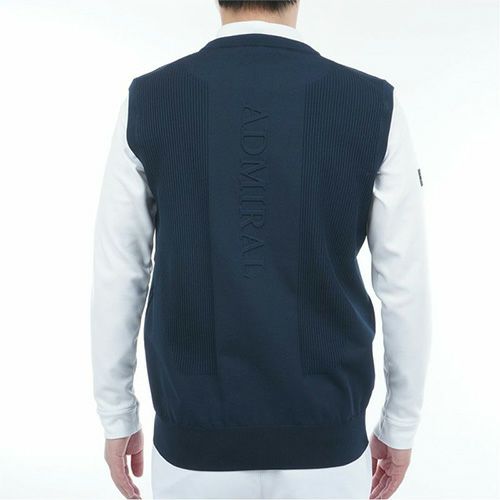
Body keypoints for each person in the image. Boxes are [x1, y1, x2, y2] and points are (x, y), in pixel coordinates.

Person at [90, 1, 432, 498]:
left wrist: (117, 414)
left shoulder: (150, 99)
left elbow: (119, 274)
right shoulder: (372, 103)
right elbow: (404, 284)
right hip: (327, 440)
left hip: (193, 441)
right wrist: (399, 424)